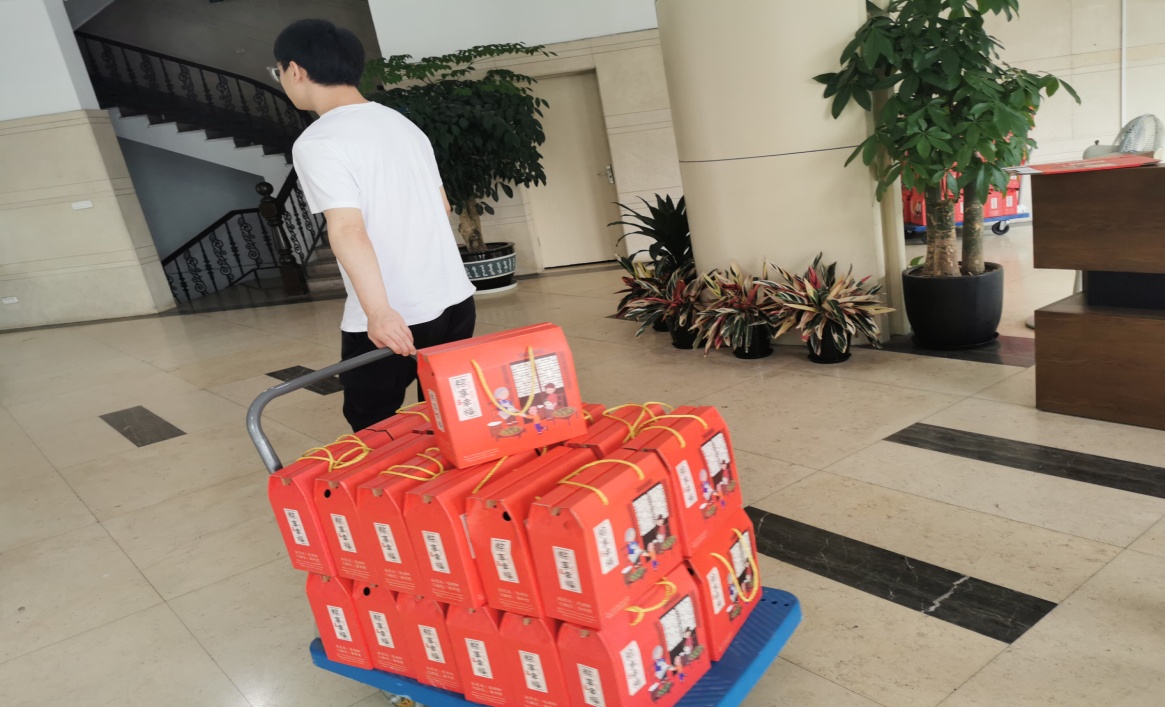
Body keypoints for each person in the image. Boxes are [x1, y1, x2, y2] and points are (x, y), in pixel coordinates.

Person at [272, 19, 476, 432]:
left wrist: (379, 312)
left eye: (277, 72)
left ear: (295, 70)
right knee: (448, 419)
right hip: (454, 299)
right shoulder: (401, 124)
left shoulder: (318, 141)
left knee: (373, 426)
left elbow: (348, 229)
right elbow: (443, 206)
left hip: (395, 315)